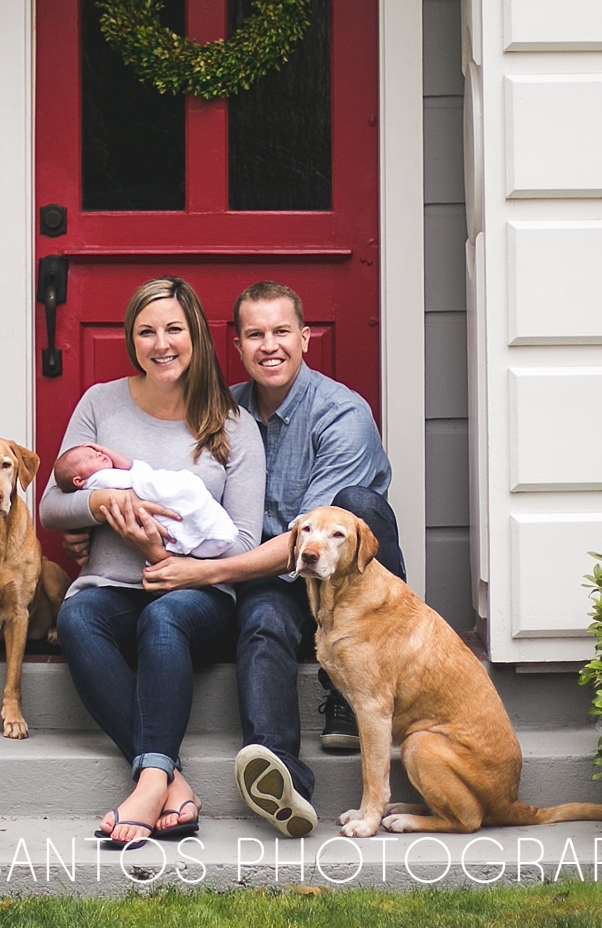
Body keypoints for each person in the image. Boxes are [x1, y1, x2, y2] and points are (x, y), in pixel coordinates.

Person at [139, 280, 407, 838]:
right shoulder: (224, 412)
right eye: (254, 334)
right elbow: (178, 495)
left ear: (306, 338)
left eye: (282, 331)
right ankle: (280, 774)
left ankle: (346, 691)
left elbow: (313, 543)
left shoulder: (341, 413)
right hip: (268, 577)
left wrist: (206, 571)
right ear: (236, 345)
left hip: (344, 583)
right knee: (260, 621)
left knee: (357, 505)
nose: (270, 346)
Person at [39, 276, 265, 848]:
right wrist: (103, 500)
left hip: (198, 594)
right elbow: (50, 505)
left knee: (161, 619)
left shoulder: (233, 424)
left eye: (173, 330)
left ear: (196, 337)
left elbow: (243, 542)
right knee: (76, 618)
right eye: (146, 332)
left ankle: (148, 783)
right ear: (131, 340)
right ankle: (166, 777)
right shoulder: (99, 403)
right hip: (113, 586)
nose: (161, 344)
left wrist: (175, 564)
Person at [51, 442, 239, 559]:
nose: (99, 455)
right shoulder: (98, 480)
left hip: (200, 576)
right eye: (90, 457)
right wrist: (118, 500)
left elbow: (128, 468)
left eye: (97, 452)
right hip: (108, 582)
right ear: (79, 481)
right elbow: (51, 509)